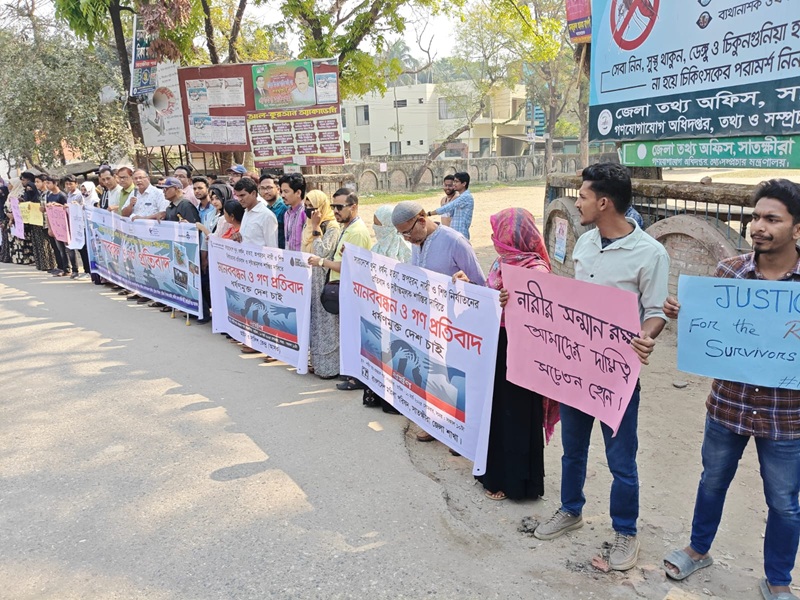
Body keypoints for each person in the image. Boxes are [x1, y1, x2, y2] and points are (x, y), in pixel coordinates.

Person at [662, 179, 800, 600]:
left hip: (787, 415)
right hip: (728, 408)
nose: (759, 226)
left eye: (772, 219)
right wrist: (687, 313)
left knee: (784, 503)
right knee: (712, 481)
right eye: (755, 217)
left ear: (797, 228)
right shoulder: (730, 272)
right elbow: (713, 335)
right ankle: (698, 550)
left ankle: (778, 580)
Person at [533, 163, 670, 573]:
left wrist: (647, 335)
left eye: (583, 196)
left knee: (621, 461)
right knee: (573, 450)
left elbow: (656, 311)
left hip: (617, 378)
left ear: (604, 202)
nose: (577, 202)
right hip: (577, 371)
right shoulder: (585, 244)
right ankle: (570, 509)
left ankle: (626, 531)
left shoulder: (651, 254)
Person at [456, 208, 559, 501]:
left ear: (511, 236)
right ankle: (493, 473)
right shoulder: (501, 263)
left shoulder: (536, 270)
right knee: (495, 410)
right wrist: (475, 289)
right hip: (496, 346)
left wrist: (512, 305)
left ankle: (517, 483)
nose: (494, 238)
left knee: (517, 414)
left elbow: (545, 317)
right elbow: (489, 297)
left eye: (498, 232)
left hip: (522, 351)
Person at [391, 200, 486, 440]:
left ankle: (459, 434)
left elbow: (481, 287)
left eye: (408, 233)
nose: (407, 240)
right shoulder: (417, 242)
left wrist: (466, 286)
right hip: (427, 322)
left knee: (454, 378)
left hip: (455, 325)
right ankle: (434, 423)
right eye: (402, 235)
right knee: (429, 372)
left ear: (422, 220)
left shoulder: (455, 242)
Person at [307, 190, 372, 387]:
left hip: (350, 288)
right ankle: (350, 373)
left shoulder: (357, 232)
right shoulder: (348, 228)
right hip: (341, 287)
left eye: (340, 207)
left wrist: (321, 262)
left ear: (353, 207)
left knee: (351, 334)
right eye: (333, 206)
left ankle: (356, 377)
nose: (335, 211)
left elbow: (349, 266)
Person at [361, 204, 412, 410]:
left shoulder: (406, 250)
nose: (375, 230)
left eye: (378, 225)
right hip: (378, 311)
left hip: (400, 315)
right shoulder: (377, 249)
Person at [301, 189, 340, 378]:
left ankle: (330, 367)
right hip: (311, 278)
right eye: (306, 206)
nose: (309, 210)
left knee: (327, 325)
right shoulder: (309, 224)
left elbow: (323, 252)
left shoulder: (332, 227)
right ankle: (316, 362)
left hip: (325, 278)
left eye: (313, 207)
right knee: (315, 322)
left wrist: (316, 228)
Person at [427, 171, 474, 240]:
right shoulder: (460, 197)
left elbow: (446, 208)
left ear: (464, 183)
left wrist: (428, 214)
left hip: (460, 234)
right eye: (454, 182)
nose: (454, 184)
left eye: (456, 182)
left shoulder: (465, 197)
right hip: (454, 233)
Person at [232, 177, 278, 247]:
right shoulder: (246, 212)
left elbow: (272, 248)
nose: (239, 199)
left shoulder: (267, 216)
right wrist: (239, 236)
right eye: (238, 196)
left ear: (253, 193)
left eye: (242, 195)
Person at [45, 176, 70, 276]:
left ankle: (67, 268)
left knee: (66, 249)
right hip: (54, 225)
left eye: (49, 183)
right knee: (59, 248)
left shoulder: (62, 196)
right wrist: (50, 227)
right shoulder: (49, 196)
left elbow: (67, 210)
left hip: (63, 226)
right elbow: (48, 212)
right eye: (46, 183)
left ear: (55, 183)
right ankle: (61, 267)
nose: (47, 185)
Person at [279, 173, 308, 252]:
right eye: (281, 191)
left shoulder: (305, 213)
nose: (282, 195)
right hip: (289, 258)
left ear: (298, 193)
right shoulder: (287, 214)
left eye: (286, 191)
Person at [259, 174, 287, 249]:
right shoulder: (266, 208)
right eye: (262, 188)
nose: (265, 191)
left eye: (269, 188)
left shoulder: (285, 208)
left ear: (278, 189)